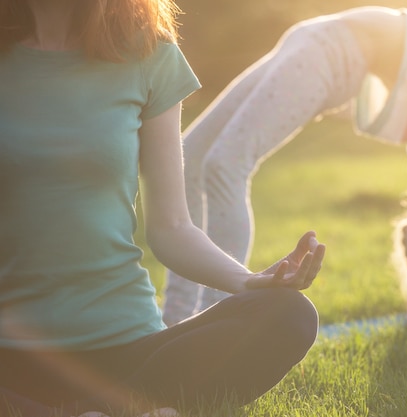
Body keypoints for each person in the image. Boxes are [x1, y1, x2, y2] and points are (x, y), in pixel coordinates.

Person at [0, 0, 325, 416]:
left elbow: (171, 227)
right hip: (11, 354)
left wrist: (246, 282)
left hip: (128, 349)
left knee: (287, 314)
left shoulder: (148, 53)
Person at [162, 6, 407, 333]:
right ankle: (176, 323)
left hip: (333, 53)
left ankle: (209, 327)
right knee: (189, 155)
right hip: (317, 38)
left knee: (225, 165)